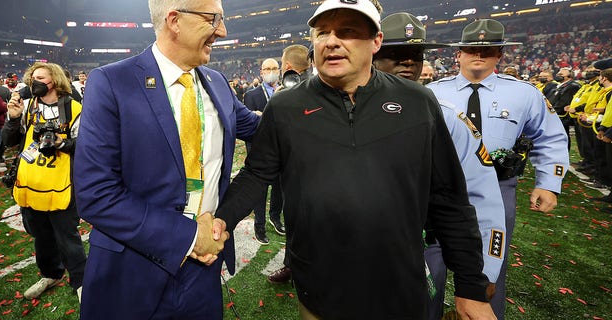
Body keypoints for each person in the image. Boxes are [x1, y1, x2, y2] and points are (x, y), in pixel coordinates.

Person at [214, 0, 496, 318]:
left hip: (400, 287)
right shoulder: (285, 107)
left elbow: (449, 200)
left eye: (348, 32)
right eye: (322, 32)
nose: (332, 41)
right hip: (319, 290)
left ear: (376, 41)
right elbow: (255, 174)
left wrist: (471, 286)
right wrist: (221, 220)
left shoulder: (418, 102)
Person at [73, 0, 260, 318]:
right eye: (213, 18)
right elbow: (95, 194)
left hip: (204, 272)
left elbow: (263, 129)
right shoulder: (111, 83)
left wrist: (312, 100)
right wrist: (188, 238)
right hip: (133, 269)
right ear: (174, 20)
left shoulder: (217, 83)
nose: (223, 31)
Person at [427, 19, 569, 320]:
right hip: (440, 189)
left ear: (500, 54)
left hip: (499, 186)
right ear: (459, 54)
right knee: (430, 264)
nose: (479, 53)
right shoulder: (432, 92)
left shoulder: (524, 93)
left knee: (491, 267)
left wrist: (549, 182)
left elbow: (552, 135)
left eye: (487, 48)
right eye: (472, 48)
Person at [373, 12, 506, 320]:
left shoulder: (447, 118)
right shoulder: (340, 114)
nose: (408, 63)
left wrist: (479, 276)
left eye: (416, 55)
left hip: (422, 247)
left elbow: (482, 198)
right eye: (395, 54)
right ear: (373, 53)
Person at [3, 62, 86, 301]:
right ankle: (51, 273)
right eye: (33, 78)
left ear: (55, 81)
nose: (34, 82)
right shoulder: (27, 107)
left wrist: (62, 144)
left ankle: (81, 281)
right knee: (41, 235)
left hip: (62, 184)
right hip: (29, 183)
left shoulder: (74, 108)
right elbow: (8, 141)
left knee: (67, 236)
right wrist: (12, 118)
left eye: (40, 77)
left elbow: (85, 146)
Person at [266, 43, 312, 285]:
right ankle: (291, 265)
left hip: (300, 173)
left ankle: (295, 267)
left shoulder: (288, 94)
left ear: (288, 67)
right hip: (310, 171)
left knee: (298, 221)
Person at [242, 58, 284, 245]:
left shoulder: (287, 92)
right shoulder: (251, 95)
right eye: (267, 68)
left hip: (281, 148)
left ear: (279, 70)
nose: (271, 71)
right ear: (261, 71)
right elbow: (248, 123)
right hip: (260, 149)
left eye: (274, 68)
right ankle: (259, 225)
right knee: (260, 190)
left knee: (279, 187)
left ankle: (275, 217)